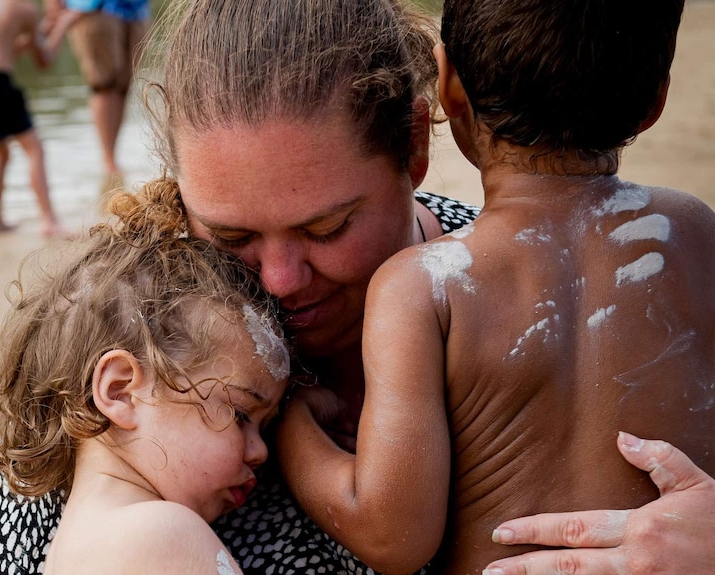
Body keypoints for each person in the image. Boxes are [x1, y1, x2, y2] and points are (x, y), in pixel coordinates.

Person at [0, 1, 715, 574]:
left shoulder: (503, 277)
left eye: (326, 228)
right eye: (232, 236)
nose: (278, 278)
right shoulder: (130, 357)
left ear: (417, 143)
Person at [274, 0, 715, 573]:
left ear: (449, 85)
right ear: (656, 98)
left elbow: (390, 536)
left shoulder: (424, 286)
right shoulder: (699, 235)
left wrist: (291, 431)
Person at [0, 175, 290, 574]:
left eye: (264, 426)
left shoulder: (75, 544)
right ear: (120, 391)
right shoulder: (161, 533)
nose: (261, 452)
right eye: (240, 415)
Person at [0, 0, 75, 236]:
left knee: (0, 152)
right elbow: (44, 61)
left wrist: (37, 34)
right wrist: (62, 26)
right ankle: (49, 221)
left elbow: (1, 49)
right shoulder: (25, 9)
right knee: (34, 149)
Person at [45, 0, 151, 194]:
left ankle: (113, 163)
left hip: (136, 8)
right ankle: (109, 162)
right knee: (103, 83)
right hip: (90, 8)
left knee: (123, 85)